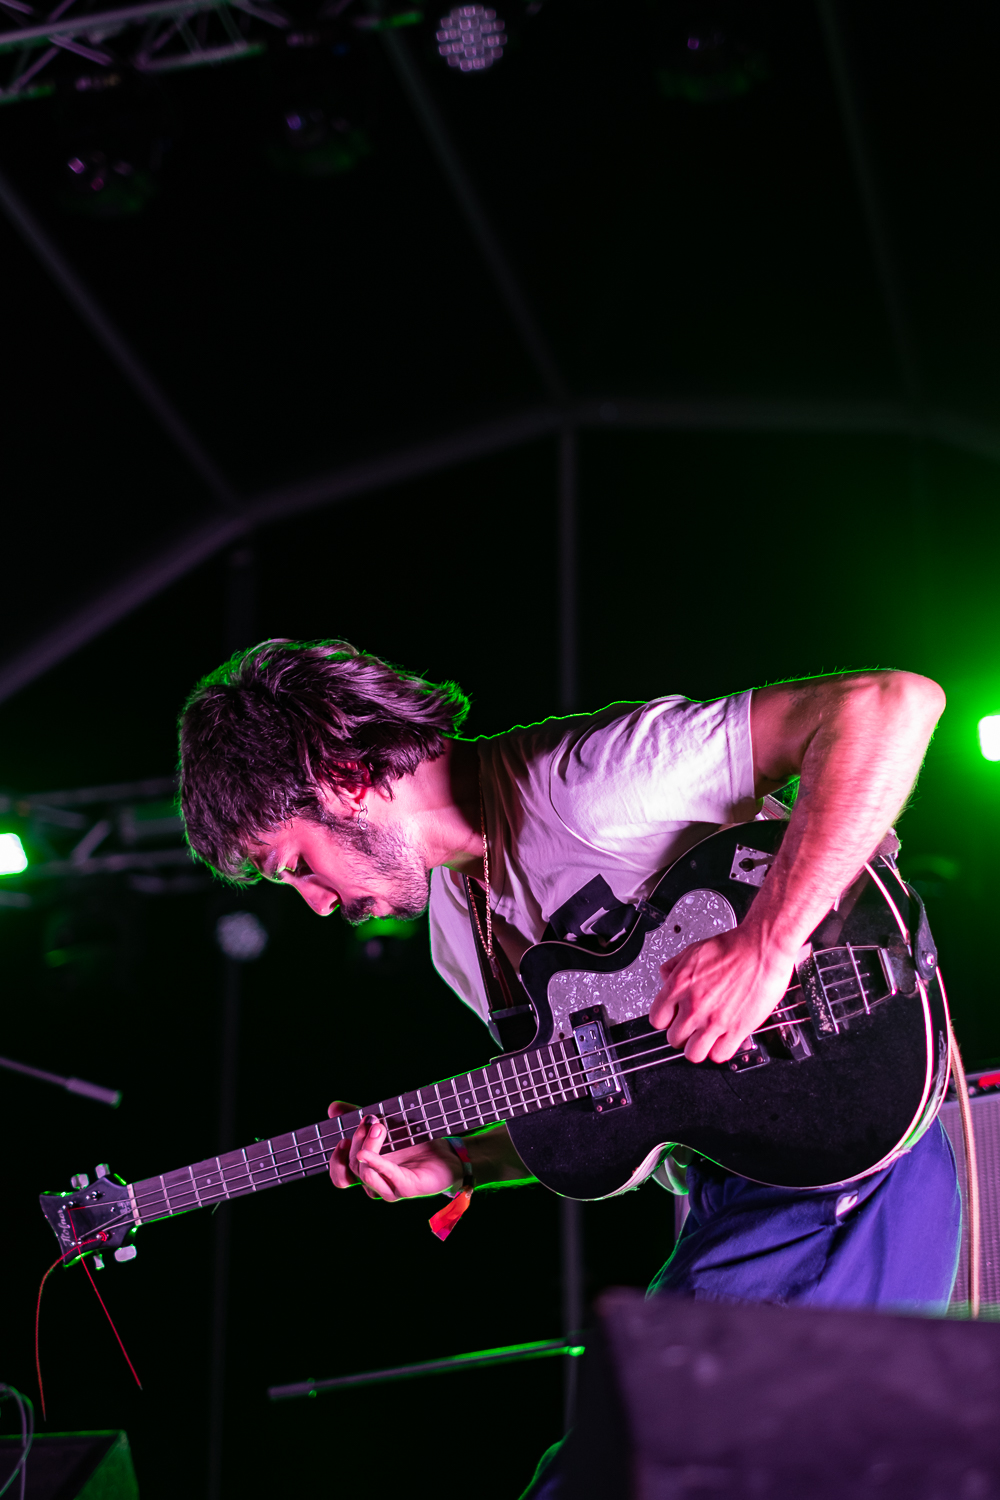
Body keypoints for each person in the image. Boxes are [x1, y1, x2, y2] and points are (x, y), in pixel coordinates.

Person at [178, 640, 961, 1494]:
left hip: (842, 1169)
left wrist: (766, 944)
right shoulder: (457, 941)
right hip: (736, 1195)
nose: (317, 903)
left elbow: (890, 704)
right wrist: (464, 1162)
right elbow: (622, 1107)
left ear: (343, 777)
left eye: (296, 865)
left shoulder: (587, 781)